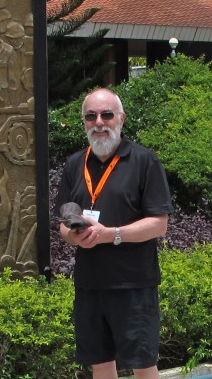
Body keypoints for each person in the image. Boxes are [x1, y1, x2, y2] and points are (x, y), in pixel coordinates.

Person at [55, 88, 172, 379]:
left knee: (142, 363)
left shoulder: (144, 161)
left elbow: (159, 224)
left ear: (121, 118)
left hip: (133, 284)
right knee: (100, 362)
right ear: (83, 122)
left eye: (107, 114)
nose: (99, 122)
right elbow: (61, 223)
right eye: (91, 116)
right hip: (90, 283)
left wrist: (111, 234)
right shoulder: (74, 164)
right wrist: (74, 236)